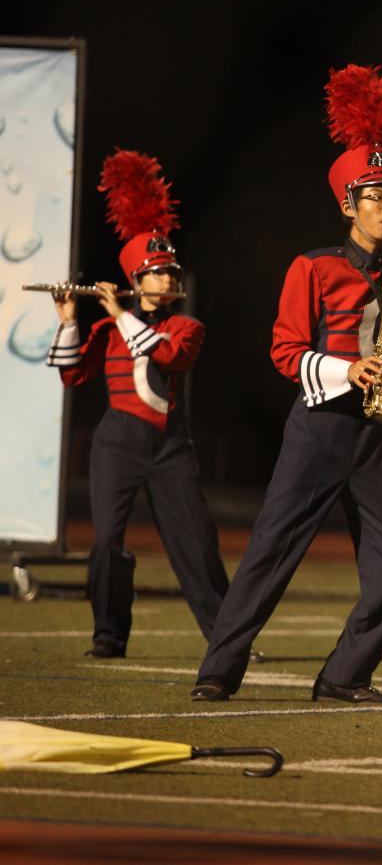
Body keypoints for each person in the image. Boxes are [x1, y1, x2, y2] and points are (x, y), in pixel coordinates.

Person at [190, 65, 382, 703]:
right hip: (320, 425)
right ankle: (218, 669)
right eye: (375, 197)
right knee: (273, 549)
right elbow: (283, 349)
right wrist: (347, 368)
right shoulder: (314, 267)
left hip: (373, 435)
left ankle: (345, 675)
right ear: (347, 205)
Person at [46, 150, 229, 659]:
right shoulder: (108, 328)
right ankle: (108, 636)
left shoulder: (185, 327)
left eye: (172, 271)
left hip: (171, 447)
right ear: (136, 282)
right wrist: (68, 318)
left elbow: (165, 356)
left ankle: (227, 635)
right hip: (117, 442)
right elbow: (69, 372)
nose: (169, 279)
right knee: (106, 542)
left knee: (195, 544)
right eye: (158, 272)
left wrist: (117, 312)